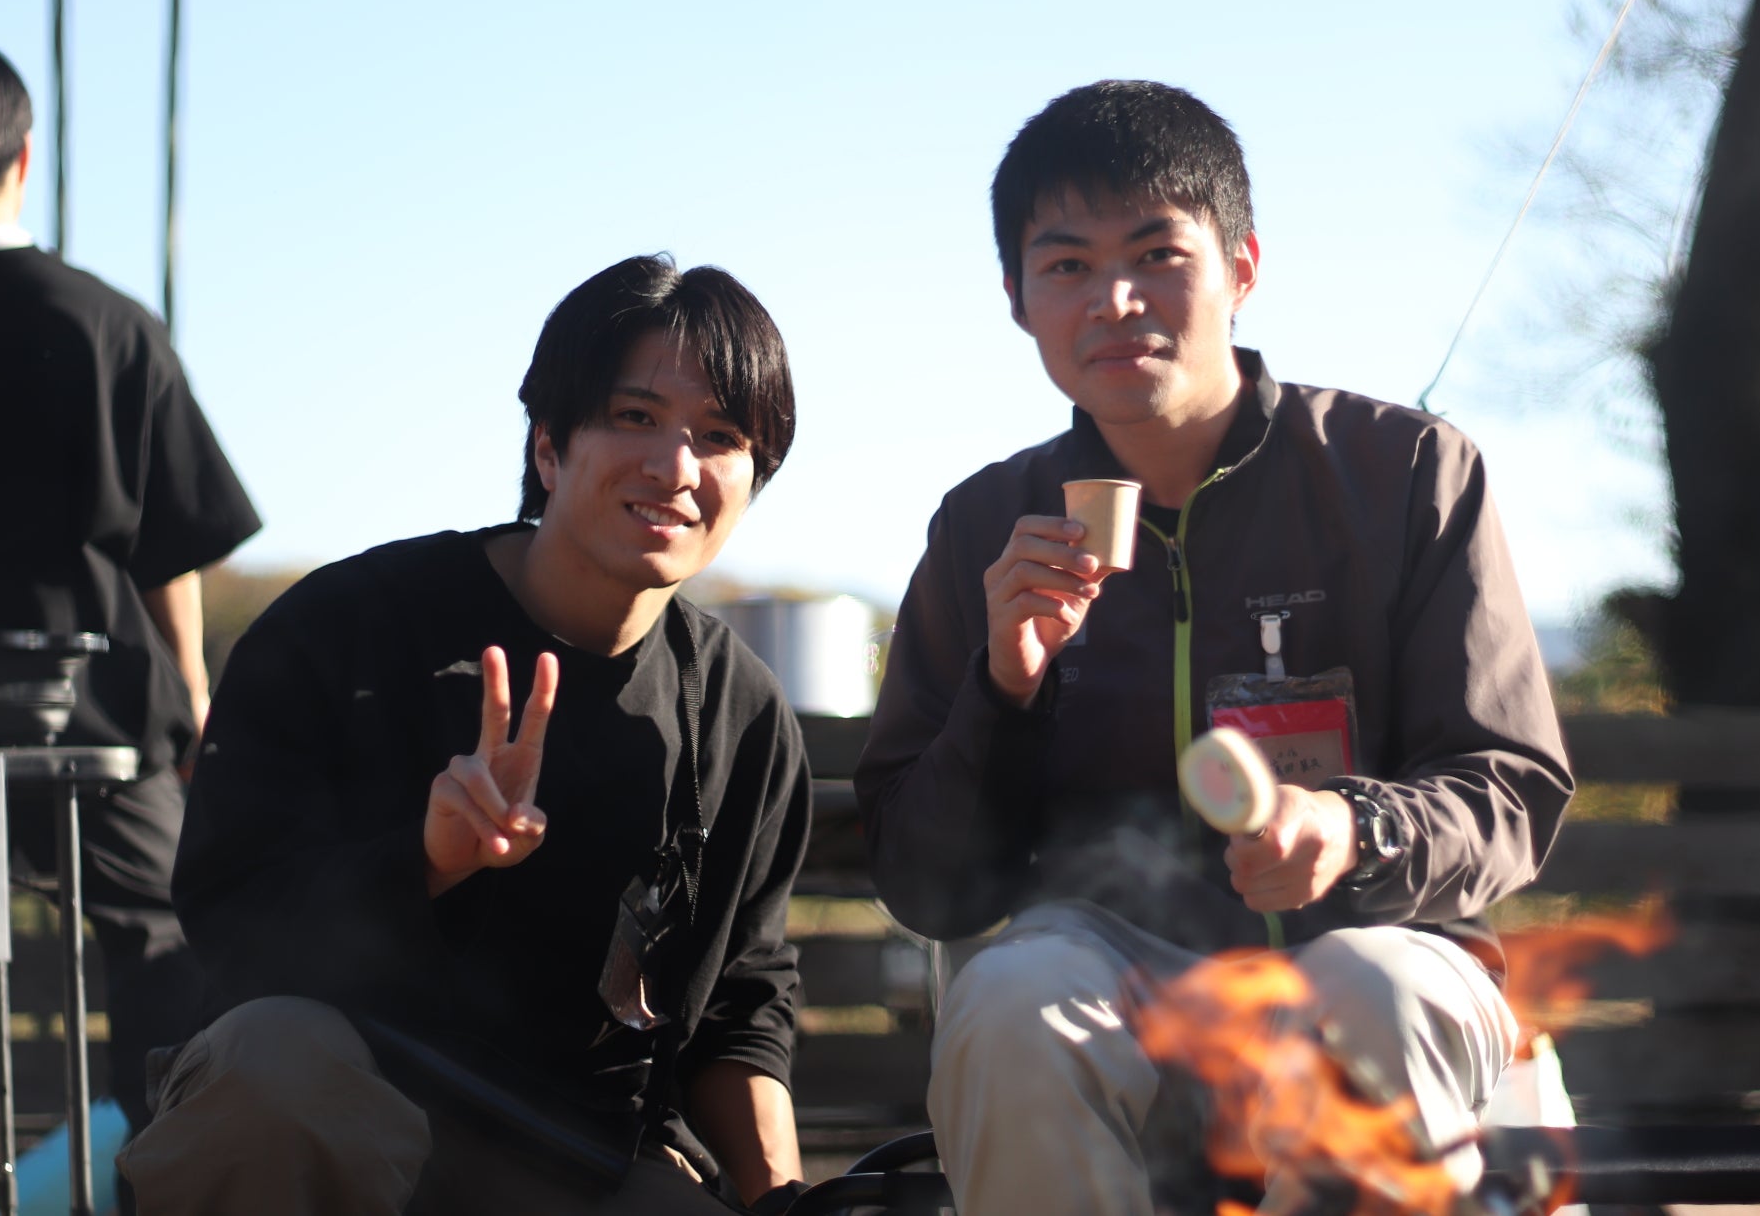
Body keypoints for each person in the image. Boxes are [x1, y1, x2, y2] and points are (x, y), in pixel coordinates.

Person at [854, 80, 1575, 1215]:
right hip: (1116, 970)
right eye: (1068, 265)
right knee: (1010, 1004)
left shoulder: (1404, 475)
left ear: (1242, 268)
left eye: (1158, 254)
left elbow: (1512, 785)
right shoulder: (987, 525)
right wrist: (1005, 687)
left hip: (1385, 941)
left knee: (1370, 988)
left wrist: (1357, 827)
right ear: (1017, 301)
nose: (1116, 300)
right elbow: (926, 883)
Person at [117, 255, 813, 1215]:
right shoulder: (347, 629)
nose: (676, 468)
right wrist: (427, 859)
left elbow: (742, 1002)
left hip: (576, 1155)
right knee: (272, 1069)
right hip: (341, 1109)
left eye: (722, 437)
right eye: (635, 416)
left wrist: (783, 1199)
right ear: (548, 446)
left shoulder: (743, 716)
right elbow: (229, 919)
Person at [0, 38, 261, 1178]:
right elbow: (167, 547)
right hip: (97, 718)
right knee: (170, 943)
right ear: (24, 159)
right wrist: (190, 691)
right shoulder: (111, 323)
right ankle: (172, 1173)